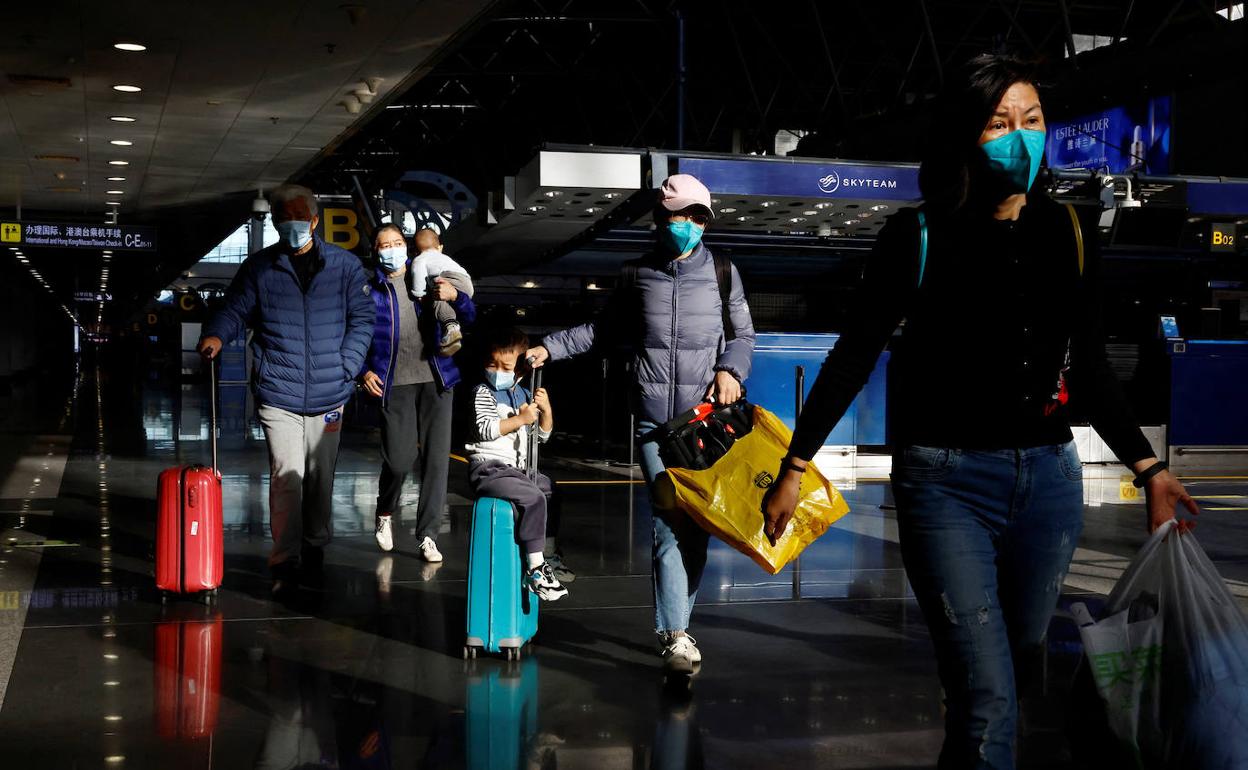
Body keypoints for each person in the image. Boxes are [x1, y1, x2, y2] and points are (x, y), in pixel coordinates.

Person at [761, 54, 1200, 769]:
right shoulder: (917, 235)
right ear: (966, 135)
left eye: (1033, 120)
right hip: (946, 484)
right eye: (1000, 124)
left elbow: (1090, 369)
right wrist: (794, 465)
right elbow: (852, 357)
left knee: (1015, 672)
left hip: (1049, 484)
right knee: (988, 696)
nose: (1021, 137)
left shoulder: (1071, 232)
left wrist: (1149, 468)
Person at [528, 173, 755, 673]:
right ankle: (675, 634)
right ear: (660, 219)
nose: (687, 225)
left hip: (705, 424)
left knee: (697, 528)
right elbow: (603, 330)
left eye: (697, 217)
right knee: (668, 523)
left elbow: (743, 335)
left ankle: (680, 626)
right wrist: (551, 346)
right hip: (654, 424)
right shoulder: (637, 274)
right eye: (679, 216)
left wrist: (730, 370)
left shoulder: (722, 271)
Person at [198, 183, 375, 598]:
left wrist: (347, 366)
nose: (292, 225)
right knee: (286, 477)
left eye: (299, 218)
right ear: (276, 222)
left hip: (331, 393)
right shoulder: (260, 268)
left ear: (314, 220)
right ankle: (284, 558)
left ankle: (315, 546)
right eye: (284, 219)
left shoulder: (345, 267)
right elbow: (234, 309)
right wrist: (216, 335)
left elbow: (362, 319)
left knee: (319, 479)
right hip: (278, 392)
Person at [361, 224, 477, 561]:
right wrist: (363, 371)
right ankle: (385, 510)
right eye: (385, 245)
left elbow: (469, 316)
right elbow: (353, 334)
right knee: (398, 461)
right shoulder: (368, 291)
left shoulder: (428, 276)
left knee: (436, 463)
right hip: (393, 384)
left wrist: (456, 297)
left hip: (436, 381)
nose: (392, 249)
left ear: (407, 247)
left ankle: (427, 535)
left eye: (397, 242)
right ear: (375, 251)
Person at [465, 327, 567, 601]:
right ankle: (536, 567)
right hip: (489, 468)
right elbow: (485, 429)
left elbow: (541, 437)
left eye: (506, 367)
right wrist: (519, 419)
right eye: (492, 365)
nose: (497, 371)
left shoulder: (523, 394)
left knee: (549, 490)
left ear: (520, 368)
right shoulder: (482, 392)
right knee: (533, 497)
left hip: (518, 470)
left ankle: (548, 553)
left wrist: (546, 411)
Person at [410, 228, 474, 356]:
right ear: (440, 247)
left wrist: (419, 294)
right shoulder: (445, 257)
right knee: (446, 301)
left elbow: (418, 273)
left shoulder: (420, 259)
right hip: (467, 283)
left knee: (438, 297)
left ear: (416, 251)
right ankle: (451, 332)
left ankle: (451, 328)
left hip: (449, 278)